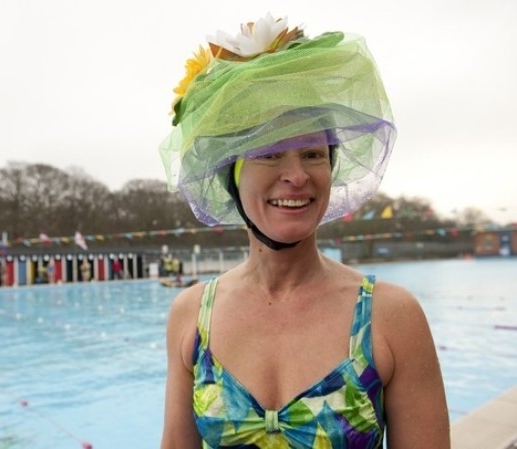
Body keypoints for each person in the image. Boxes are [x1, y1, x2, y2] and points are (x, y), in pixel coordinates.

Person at [158, 14, 449, 449]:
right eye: (271, 155)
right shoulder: (192, 316)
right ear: (231, 176)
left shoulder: (390, 317)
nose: (297, 176)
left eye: (313, 153)